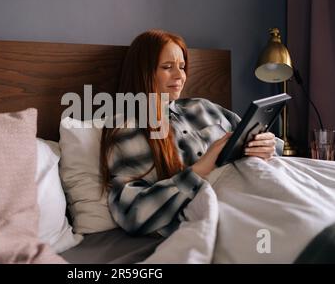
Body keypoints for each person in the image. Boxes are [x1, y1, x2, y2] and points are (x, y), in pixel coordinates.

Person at [99, 29, 284, 237]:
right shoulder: (128, 128)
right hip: (224, 211)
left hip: (262, 184)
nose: (180, 76)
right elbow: (132, 213)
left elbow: (261, 141)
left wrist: (267, 144)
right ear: (144, 72)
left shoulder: (203, 107)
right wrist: (200, 170)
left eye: (182, 67)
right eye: (167, 67)